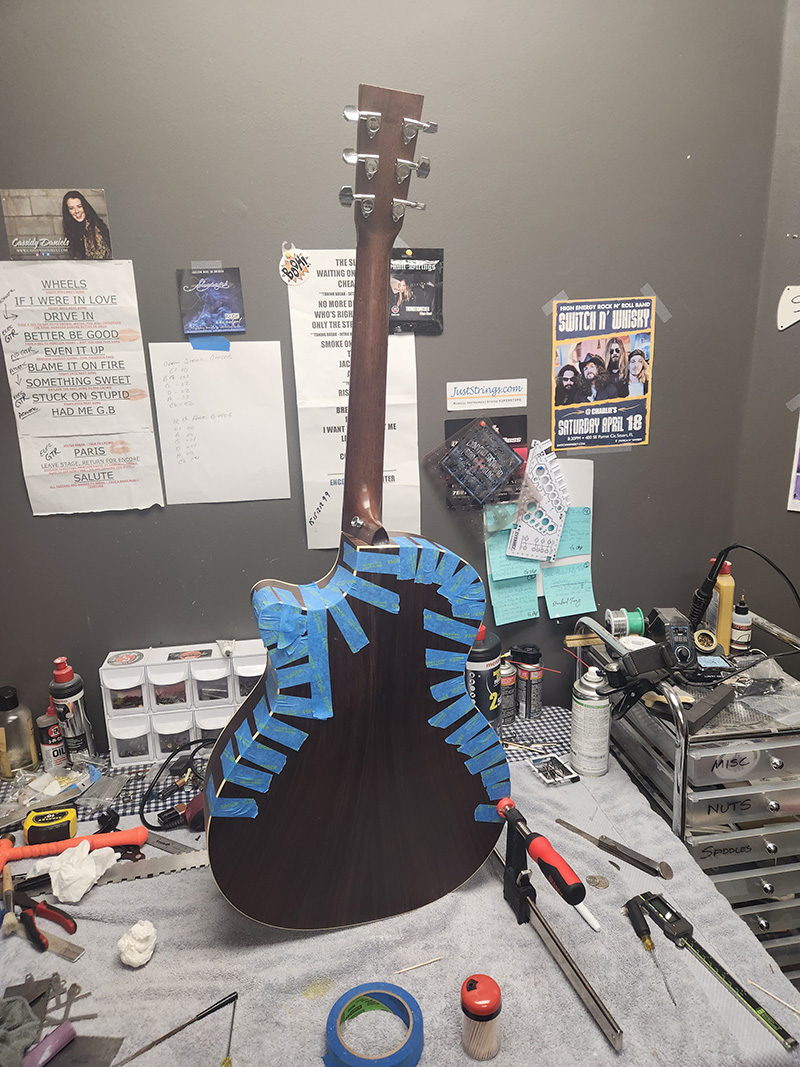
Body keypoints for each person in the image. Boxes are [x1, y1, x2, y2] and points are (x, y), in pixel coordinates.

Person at [61, 191, 112, 259]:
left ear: (84, 206)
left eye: (79, 206)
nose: (76, 211)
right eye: (71, 208)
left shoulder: (94, 228)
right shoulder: (72, 228)